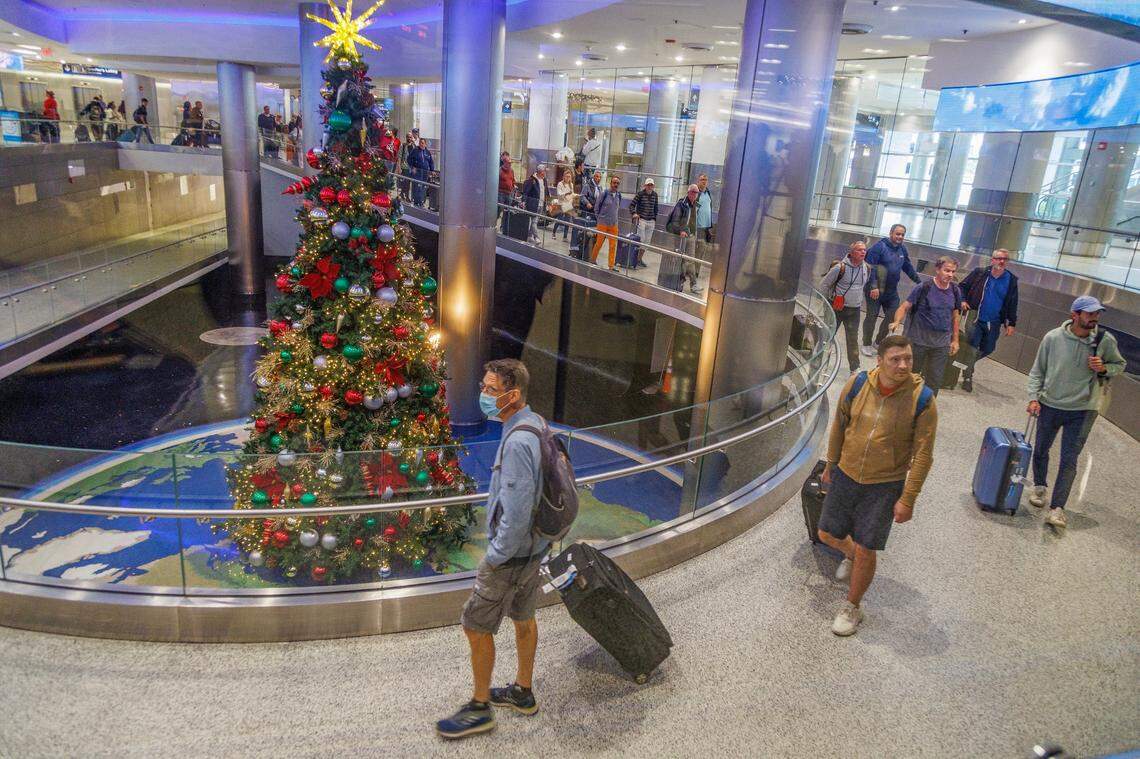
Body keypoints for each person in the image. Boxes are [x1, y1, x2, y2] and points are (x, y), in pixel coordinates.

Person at [436, 359, 548, 740]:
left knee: (475, 625)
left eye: (490, 390)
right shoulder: (536, 424)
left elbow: (516, 514)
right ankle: (523, 691)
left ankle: (480, 708)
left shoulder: (517, 442)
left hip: (511, 557)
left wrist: (495, 557)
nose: (483, 395)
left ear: (512, 396)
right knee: (524, 615)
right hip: (535, 550)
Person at [817, 335, 937, 637]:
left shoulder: (922, 399)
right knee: (826, 533)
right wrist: (831, 464)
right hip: (846, 472)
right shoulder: (858, 384)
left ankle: (852, 606)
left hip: (884, 485)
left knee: (869, 548)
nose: (903, 365)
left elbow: (923, 454)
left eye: (907, 358)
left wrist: (908, 498)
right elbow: (839, 425)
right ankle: (851, 553)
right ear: (880, 360)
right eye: (895, 359)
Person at [1026, 296, 1126, 529]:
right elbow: (1037, 370)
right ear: (1075, 315)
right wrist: (1033, 397)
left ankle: (1057, 508)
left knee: (1069, 459)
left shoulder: (1104, 340)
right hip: (1050, 403)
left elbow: (1119, 365)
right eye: (1090, 313)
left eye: (1097, 314)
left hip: (1083, 409)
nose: (1095, 318)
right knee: (1041, 449)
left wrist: (1104, 367)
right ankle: (1040, 487)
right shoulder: (1053, 338)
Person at [890, 256, 961, 396]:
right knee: (911, 376)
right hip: (917, 341)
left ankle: (927, 407)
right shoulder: (924, 287)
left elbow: (955, 316)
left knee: (934, 380)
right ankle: (905, 403)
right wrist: (897, 321)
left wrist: (955, 340)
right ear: (937, 269)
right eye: (947, 270)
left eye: (953, 271)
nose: (950, 275)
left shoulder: (955, 290)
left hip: (941, 344)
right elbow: (904, 307)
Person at [957, 249, 1019, 393]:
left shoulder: (1011, 280)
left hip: (994, 321)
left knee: (989, 348)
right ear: (992, 260)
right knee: (972, 348)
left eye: (1005, 259)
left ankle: (965, 362)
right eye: (998, 258)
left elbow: (1013, 302)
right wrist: (963, 300)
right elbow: (962, 286)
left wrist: (1012, 322)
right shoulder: (980, 273)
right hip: (975, 317)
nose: (1001, 261)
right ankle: (967, 377)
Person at [862, 224, 921, 355]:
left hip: (891, 291)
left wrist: (919, 282)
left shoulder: (902, 250)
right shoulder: (879, 247)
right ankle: (866, 344)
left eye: (902, 235)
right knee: (871, 316)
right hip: (875, 290)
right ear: (891, 233)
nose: (900, 237)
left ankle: (878, 342)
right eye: (897, 234)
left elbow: (908, 267)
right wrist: (874, 286)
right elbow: (869, 267)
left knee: (892, 316)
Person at [820, 241, 871, 374]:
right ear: (852, 252)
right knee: (828, 336)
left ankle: (854, 368)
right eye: (859, 250)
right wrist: (827, 303)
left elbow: (862, 286)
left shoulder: (866, 268)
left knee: (853, 338)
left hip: (854, 310)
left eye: (864, 250)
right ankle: (820, 363)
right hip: (837, 308)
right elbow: (824, 285)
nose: (863, 252)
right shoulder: (840, 267)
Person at [664, 184, 702, 293]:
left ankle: (692, 284)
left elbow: (693, 221)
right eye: (693, 192)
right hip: (682, 237)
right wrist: (681, 231)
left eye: (696, 193)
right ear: (689, 192)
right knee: (681, 260)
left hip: (691, 236)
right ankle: (680, 282)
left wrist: (694, 234)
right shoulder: (681, 204)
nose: (695, 195)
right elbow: (675, 221)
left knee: (690, 260)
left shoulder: (696, 205)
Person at [589, 174, 623, 271]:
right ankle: (593, 259)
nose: (615, 184)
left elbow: (617, 208)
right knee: (599, 243)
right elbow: (596, 207)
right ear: (610, 183)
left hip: (614, 224)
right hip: (602, 223)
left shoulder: (619, 195)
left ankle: (611, 266)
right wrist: (599, 219)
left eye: (617, 183)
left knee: (613, 245)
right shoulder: (604, 194)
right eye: (614, 182)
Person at [570, 168, 600, 254]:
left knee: (590, 231)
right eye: (597, 177)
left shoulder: (600, 188)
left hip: (595, 213)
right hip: (587, 210)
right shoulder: (587, 185)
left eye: (599, 177)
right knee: (581, 228)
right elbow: (582, 196)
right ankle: (575, 247)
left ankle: (584, 248)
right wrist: (587, 203)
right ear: (594, 177)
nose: (598, 179)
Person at [631, 178, 659, 267]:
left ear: (653, 186)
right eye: (648, 185)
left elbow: (656, 207)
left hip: (651, 221)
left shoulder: (655, 195)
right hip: (642, 220)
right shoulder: (640, 194)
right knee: (641, 240)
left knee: (646, 243)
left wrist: (654, 218)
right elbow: (632, 205)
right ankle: (634, 259)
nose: (650, 187)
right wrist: (634, 213)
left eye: (651, 185)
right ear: (645, 186)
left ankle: (639, 259)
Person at [521, 164, 547, 243]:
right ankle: (537, 237)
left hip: (541, 204)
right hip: (533, 204)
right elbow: (526, 192)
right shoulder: (532, 180)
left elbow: (545, 192)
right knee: (534, 222)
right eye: (544, 171)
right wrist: (524, 201)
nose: (545, 173)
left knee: (534, 221)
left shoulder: (544, 180)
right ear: (540, 172)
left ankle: (529, 236)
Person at [408, 138, 434, 207]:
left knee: (423, 188)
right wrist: (412, 167)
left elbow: (431, 162)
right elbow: (409, 159)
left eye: (422, 143)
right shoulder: (415, 150)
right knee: (417, 187)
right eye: (420, 143)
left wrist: (432, 170)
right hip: (417, 173)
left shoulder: (427, 152)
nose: (421, 144)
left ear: (425, 144)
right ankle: (416, 202)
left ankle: (422, 202)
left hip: (425, 173)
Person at [550, 169, 574, 241]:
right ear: (564, 176)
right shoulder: (560, 184)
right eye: (566, 176)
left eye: (569, 177)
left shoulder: (571, 185)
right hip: (561, 204)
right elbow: (559, 194)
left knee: (567, 221)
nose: (568, 178)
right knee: (559, 220)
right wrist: (566, 194)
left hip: (568, 205)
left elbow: (572, 195)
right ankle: (553, 233)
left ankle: (565, 236)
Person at [694, 173, 714, 243]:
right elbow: (694, 209)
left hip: (706, 227)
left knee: (703, 248)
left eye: (706, 180)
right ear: (698, 181)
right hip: (698, 226)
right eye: (702, 179)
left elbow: (708, 208)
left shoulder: (707, 192)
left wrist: (710, 226)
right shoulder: (695, 193)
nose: (704, 181)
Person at [497, 152, 516, 220]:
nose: (510, 164)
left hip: (509, 193)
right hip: (501, 193)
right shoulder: (499, 170)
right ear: (504, 163)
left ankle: (503, 226)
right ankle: (494, 223)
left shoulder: (511, 171)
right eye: (509, 163)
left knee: (507, 211)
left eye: (510, 163)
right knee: (499, 209)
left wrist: (513, 188)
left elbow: (513, 180)